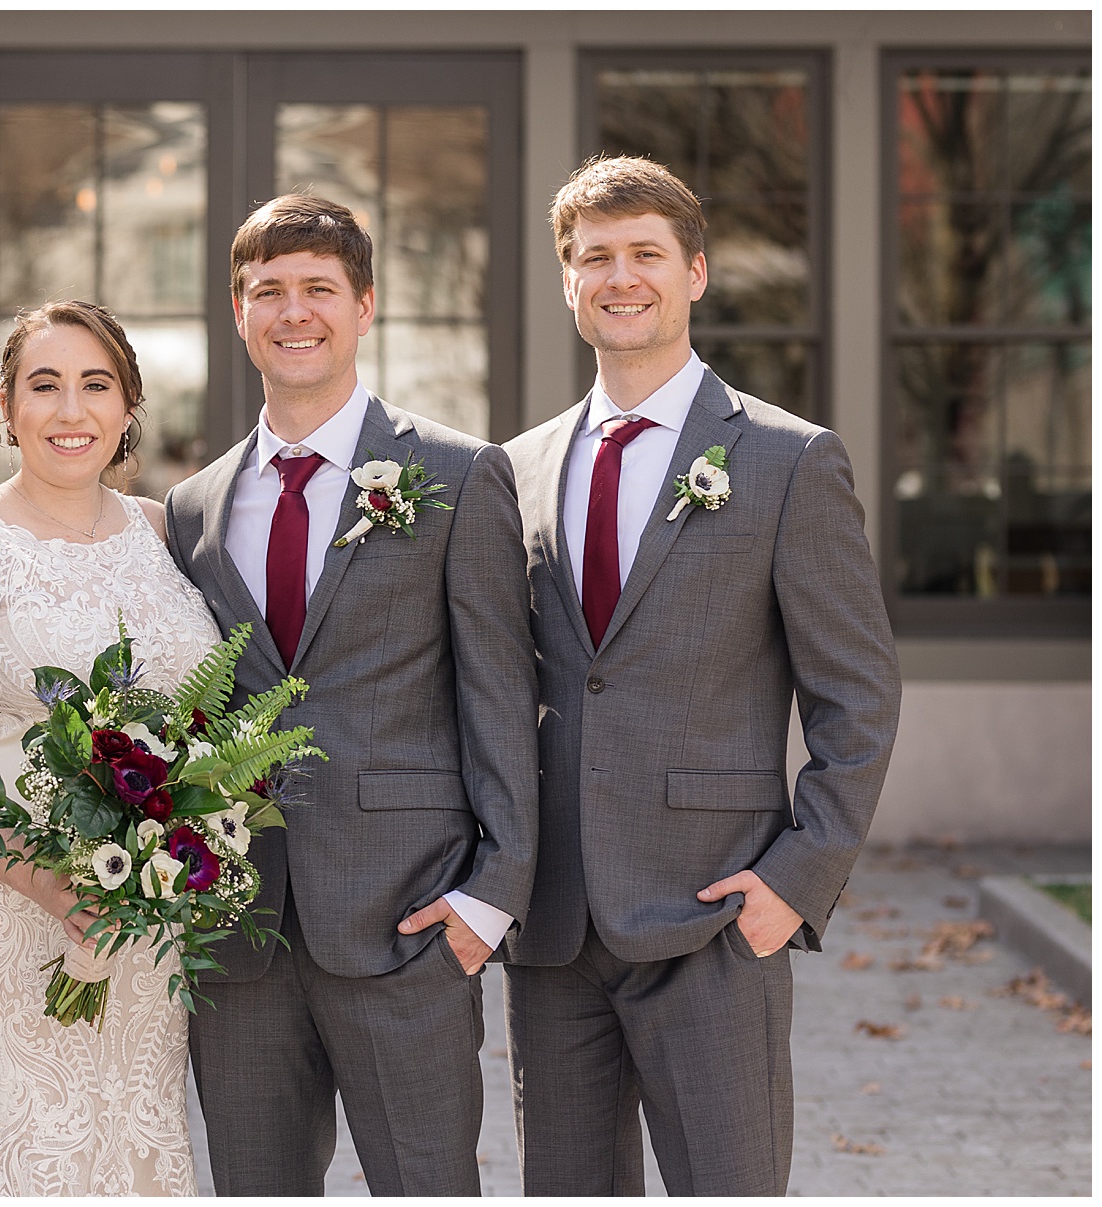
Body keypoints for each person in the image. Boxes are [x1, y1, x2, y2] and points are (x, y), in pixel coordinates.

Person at [499, 155, 903, 1196]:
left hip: (718, 914)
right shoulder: (520, 467)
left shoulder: (786, 459)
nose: (619, 277)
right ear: (567, 281)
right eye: (595, 258)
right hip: (557, 927)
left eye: (645, 254)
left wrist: (796, 882)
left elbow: (857, 695)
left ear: (696, 274)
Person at [163, 194, 540, 1196]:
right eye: (268, 291)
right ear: (238, 311)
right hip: (238, 928)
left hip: (407, 917)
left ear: (364, 306)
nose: (295, 312)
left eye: (318, 289)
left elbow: (501, 692)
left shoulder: (458, 475)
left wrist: (491, 894)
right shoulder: (193, 506)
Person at [0, 299, 221, 1196]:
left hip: (144, 902)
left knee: (134, 1127)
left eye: (95, 386)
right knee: (17, 1133)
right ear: (6, 409)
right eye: (44, 386)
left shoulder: (165, 534)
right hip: (0, 900)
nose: (70, 411)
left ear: (127, 410)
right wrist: (47, 882)